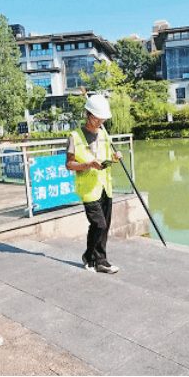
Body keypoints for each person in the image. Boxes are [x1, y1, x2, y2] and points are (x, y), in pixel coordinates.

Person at [65, 94, 123, 274]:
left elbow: (107, 157)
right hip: (89, 188)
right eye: (98, 119)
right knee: (99, 225)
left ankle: (98, 260)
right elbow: (69, 164)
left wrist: (115, 158)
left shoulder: (104, 133)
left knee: (104, 226)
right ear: (89, 115)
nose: (101, 122)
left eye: (103, 119)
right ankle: (93, 258)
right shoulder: (74, 136)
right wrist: (89, 164)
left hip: (105, 186)